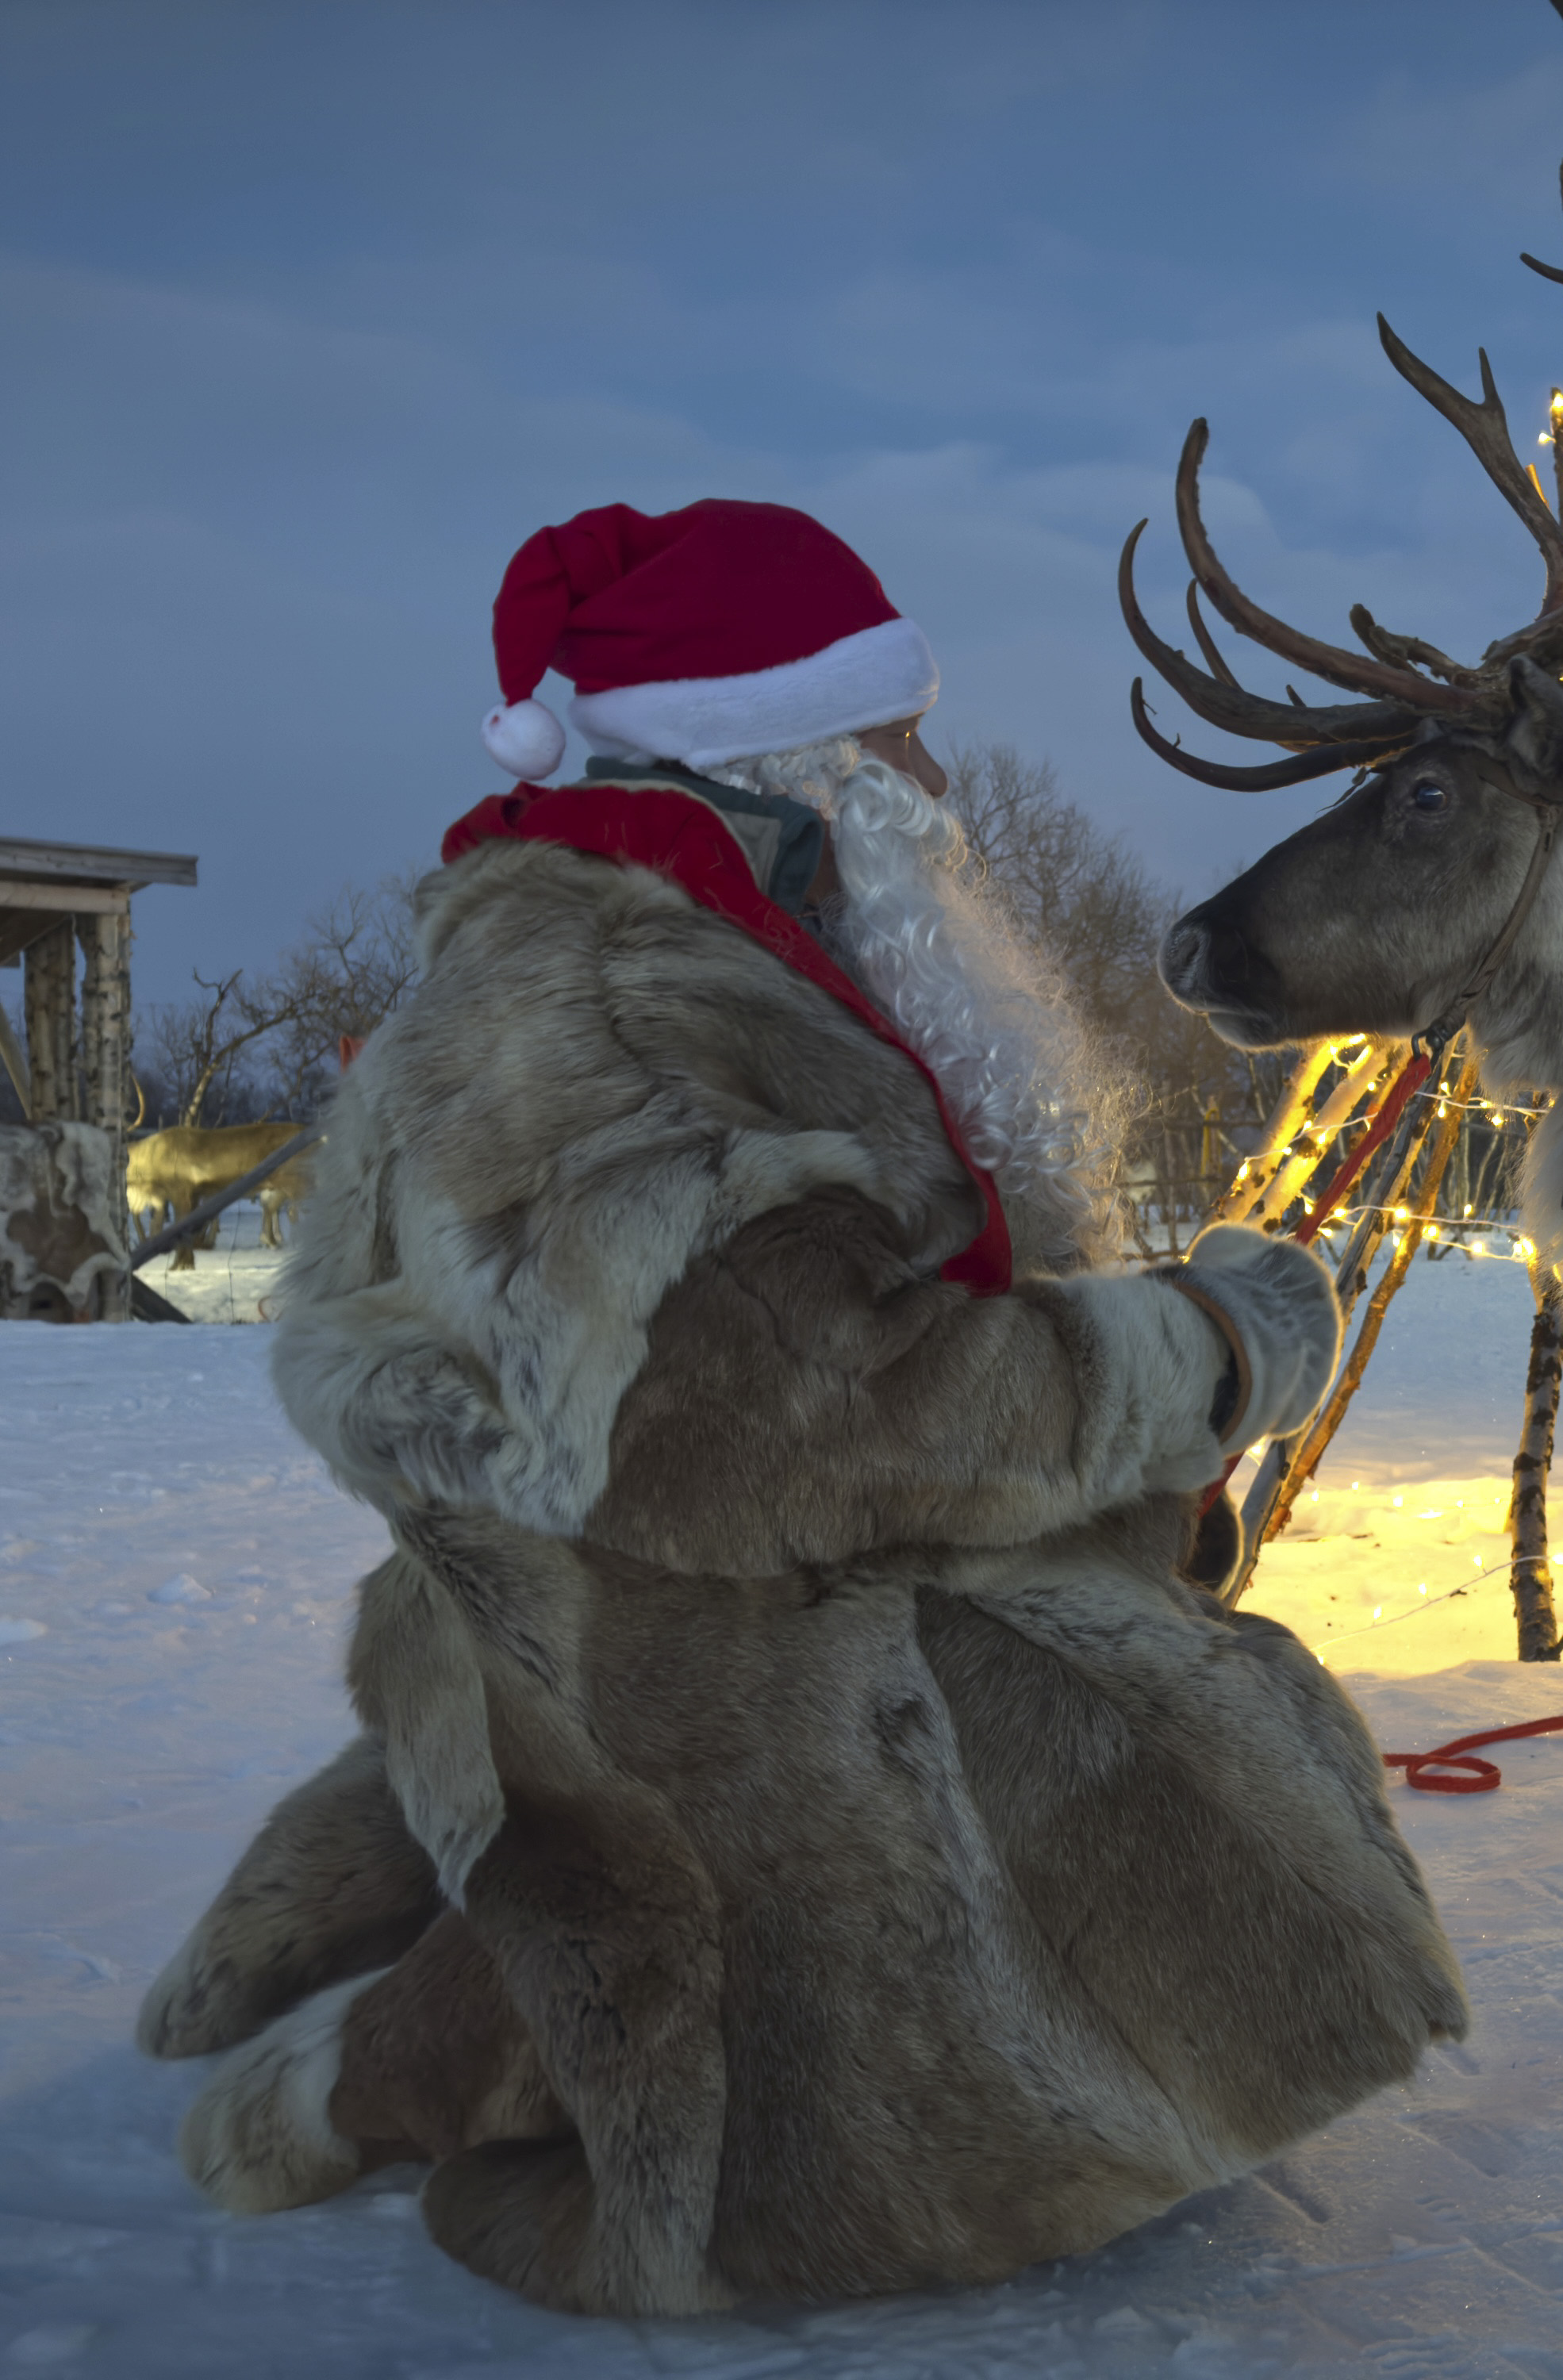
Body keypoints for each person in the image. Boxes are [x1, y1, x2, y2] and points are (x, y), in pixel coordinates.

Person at [136, 501, 1466, 2315]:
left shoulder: (716, 943)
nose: (937, 773)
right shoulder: (615, 1001)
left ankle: (392, 1961)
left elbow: (820, 1341)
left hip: (613, 1603)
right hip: (690, 1660)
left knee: (1136, 1623)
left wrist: (1135, 1470)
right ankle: (398, 2070)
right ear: (792, 755)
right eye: (899, 732)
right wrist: (1209, 1355)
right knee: (1132, 1796)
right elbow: (797, 1427)